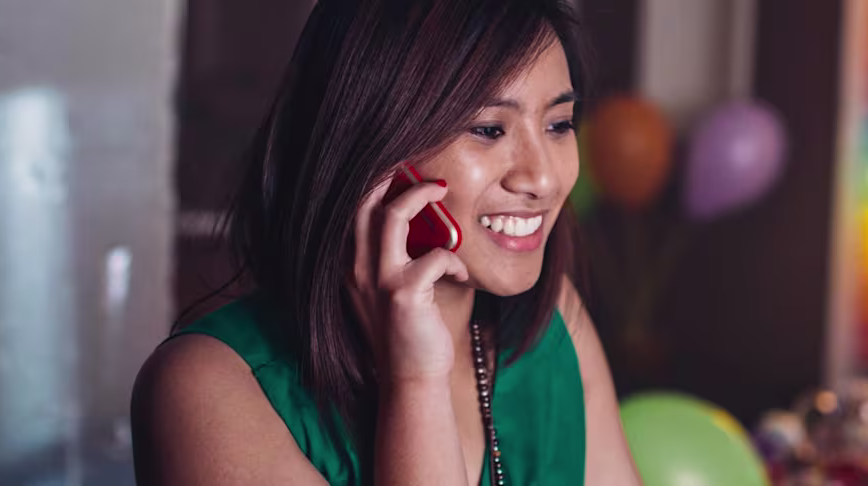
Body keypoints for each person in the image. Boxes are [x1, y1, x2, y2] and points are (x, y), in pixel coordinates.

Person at [129, 0, 640, 484]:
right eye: (488, 129)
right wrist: (416, 382)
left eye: (558, 124)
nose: (544, 179)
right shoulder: (204, 389)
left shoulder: (556, 325)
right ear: (370, 148)